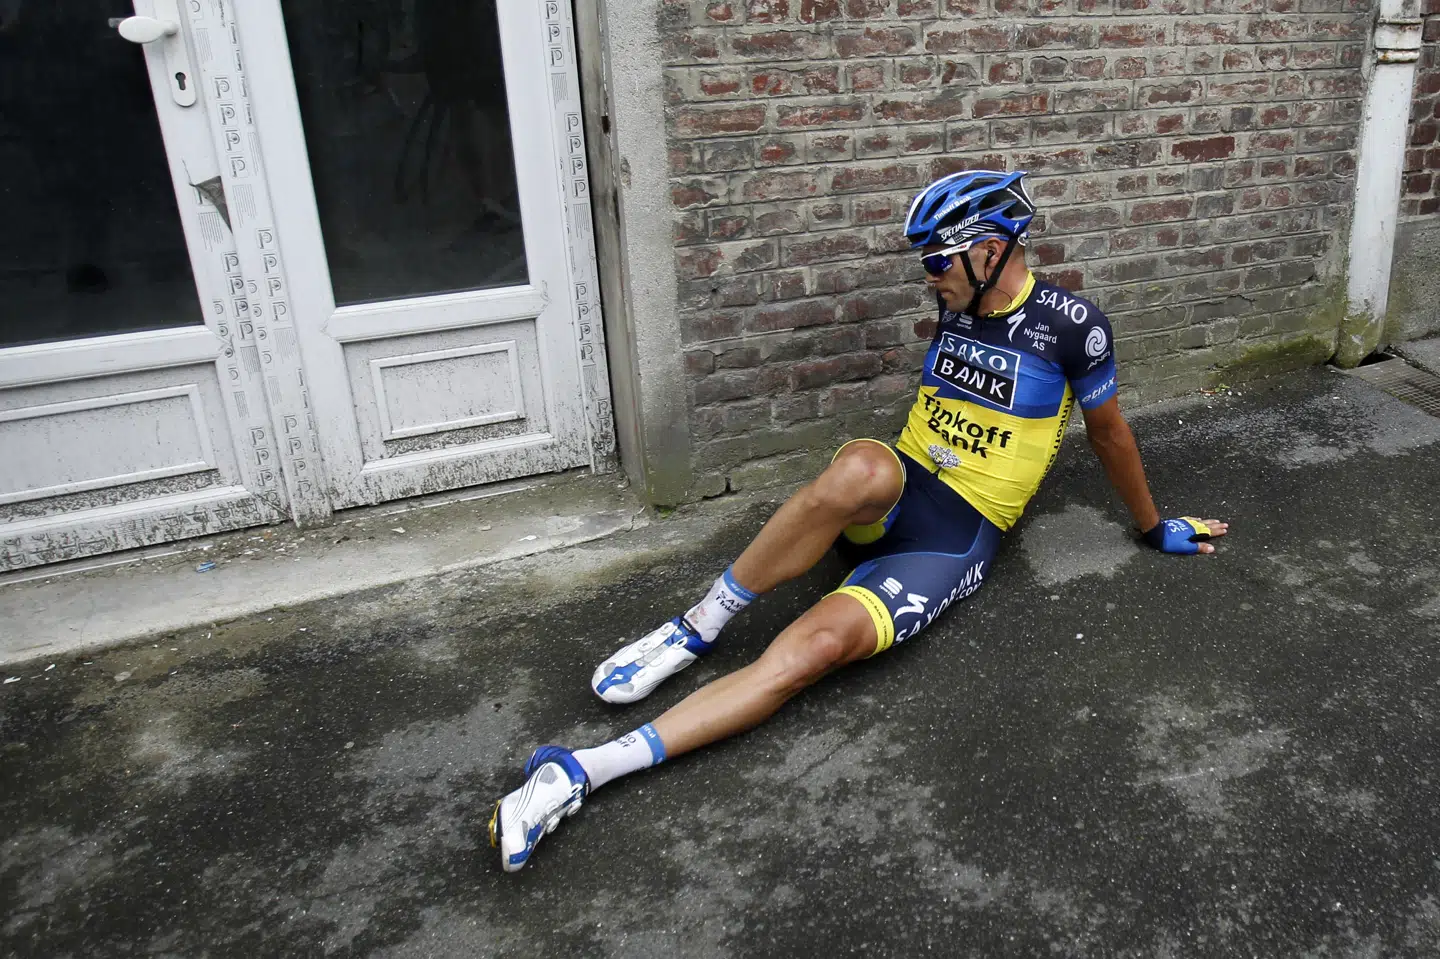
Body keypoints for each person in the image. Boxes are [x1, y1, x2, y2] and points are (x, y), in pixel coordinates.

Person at [488, 169, 1229, 872]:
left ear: (990, 251)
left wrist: (1151, 525)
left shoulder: (1072, 327)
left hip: (954, 536)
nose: (928, 277)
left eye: (936, 260)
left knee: (815, 652)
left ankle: (580, 770)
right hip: (895, 490)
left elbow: (1110, 436)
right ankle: (697, 626)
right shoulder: (959, 302)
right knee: (861, 471)